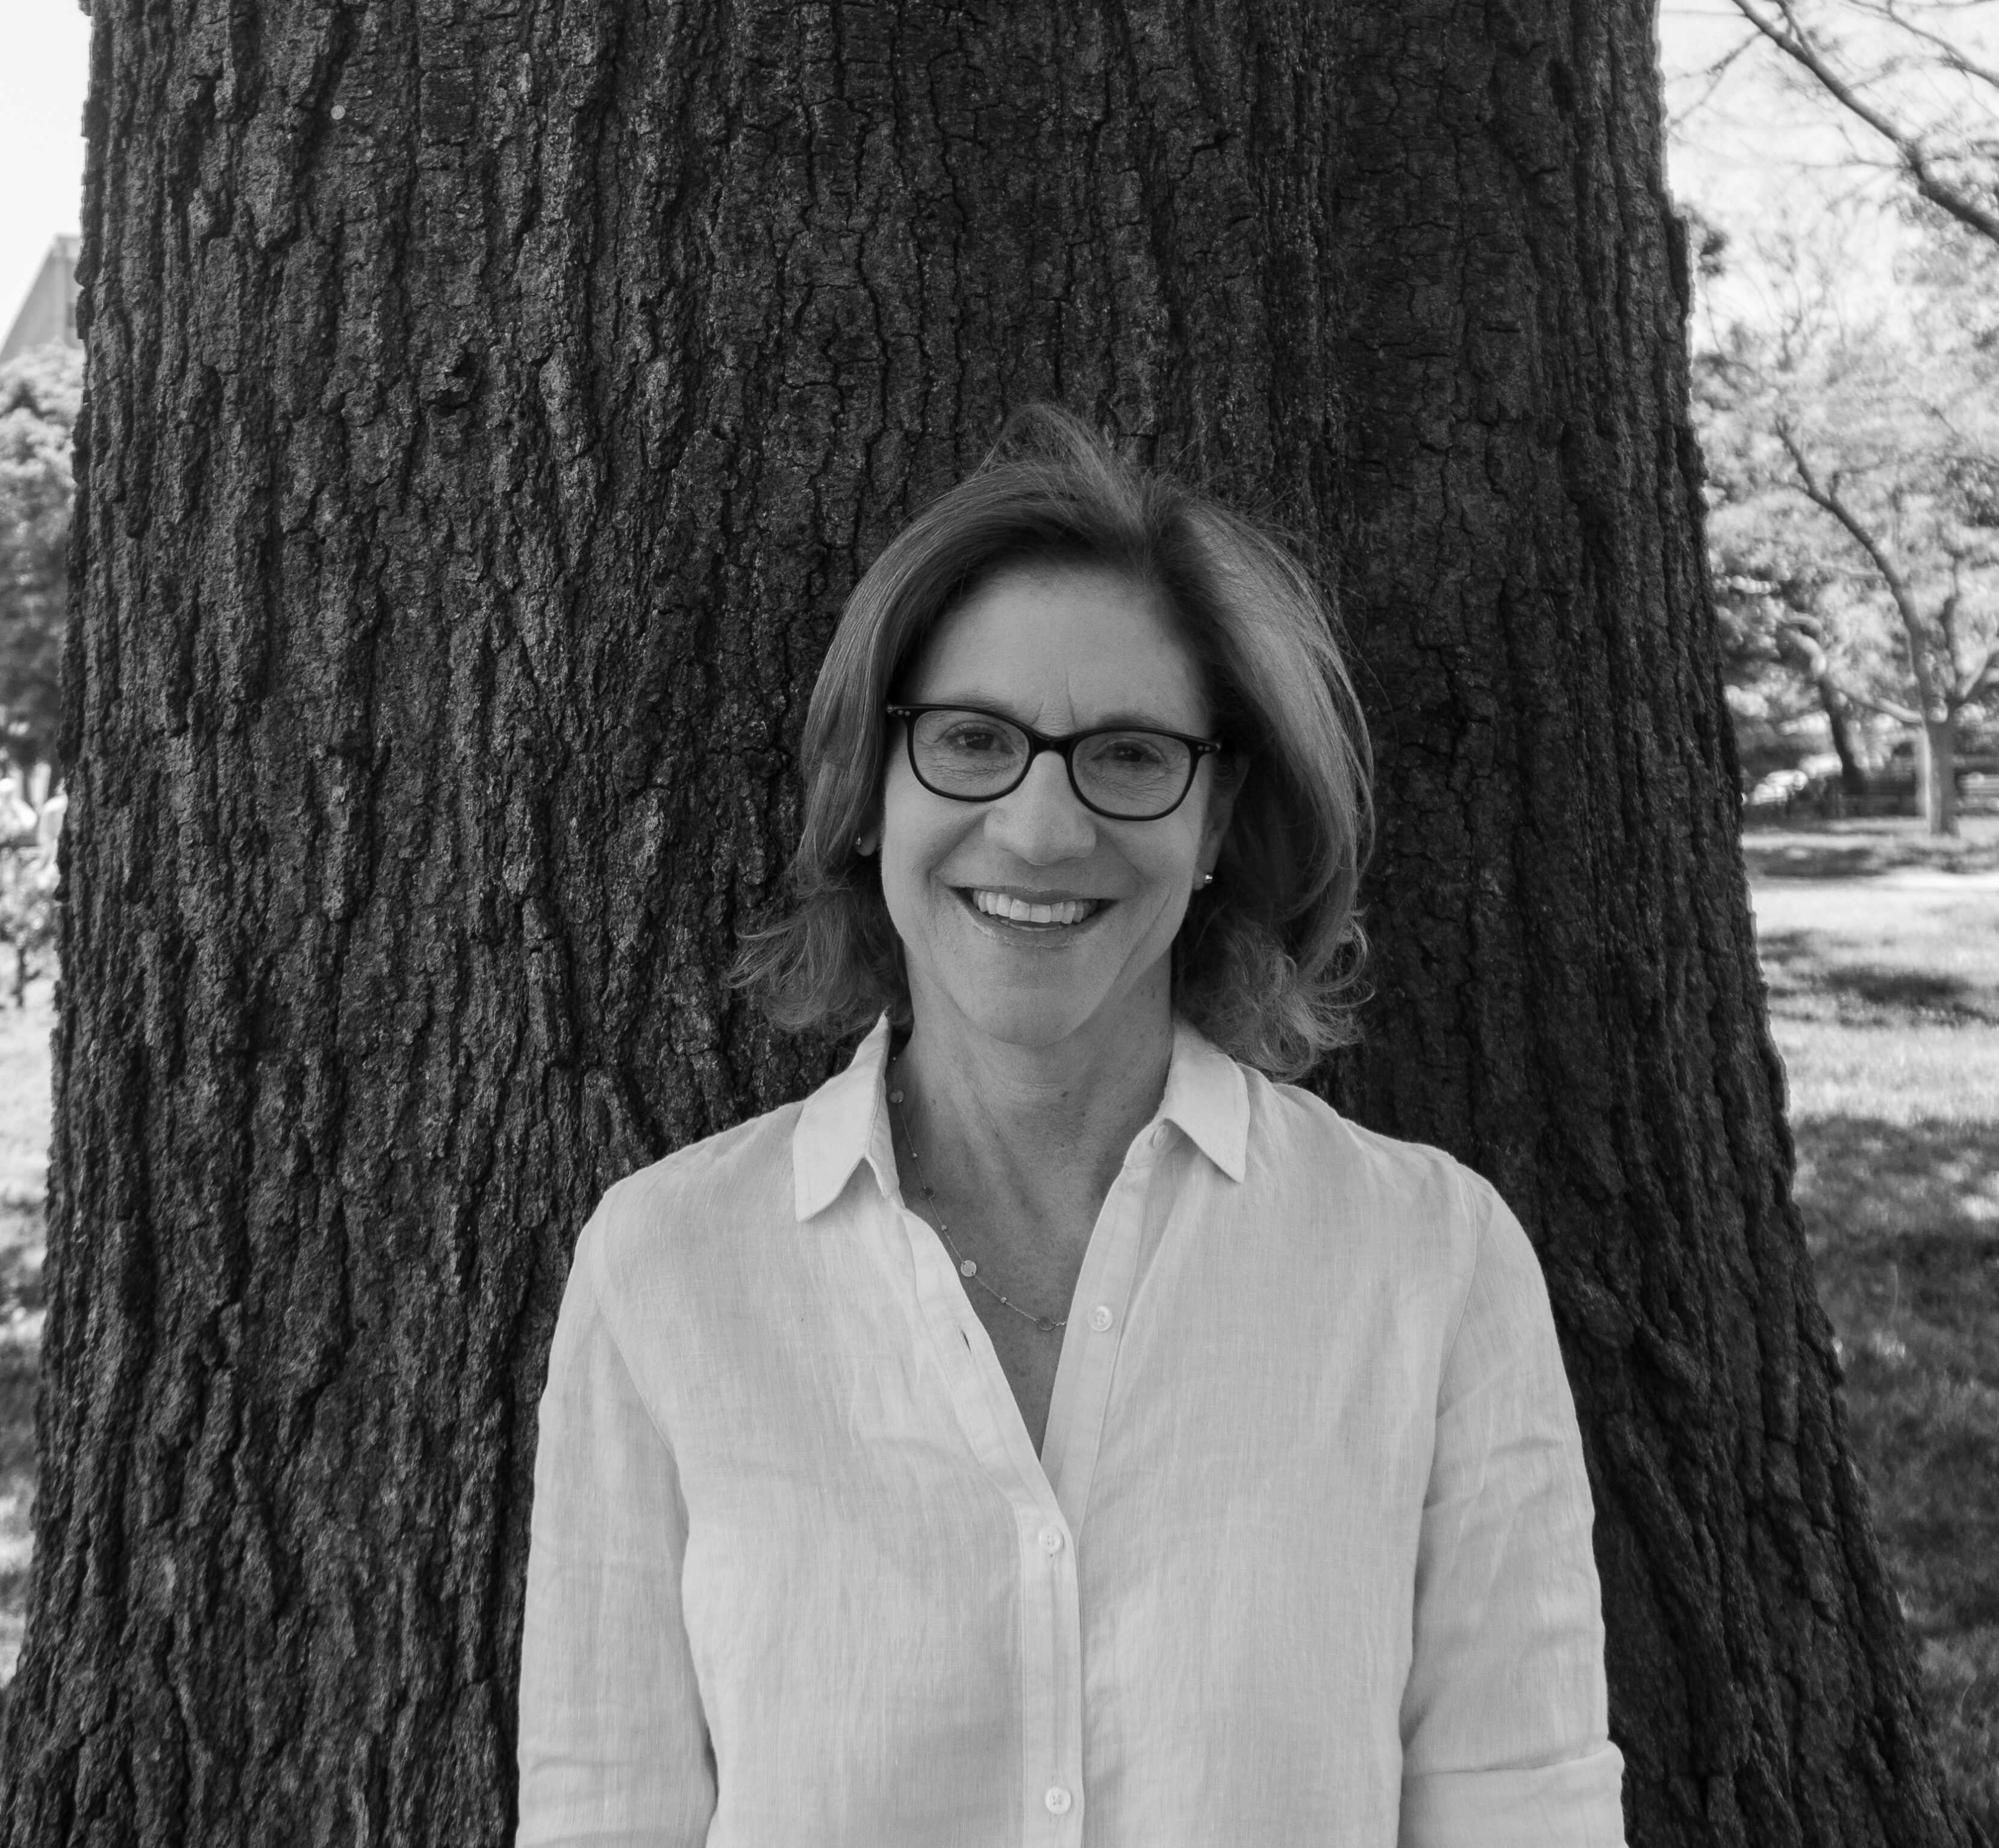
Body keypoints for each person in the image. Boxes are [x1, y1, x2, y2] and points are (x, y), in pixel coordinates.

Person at [514, 407, 1626, 1847]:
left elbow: (1524, 1806)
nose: (1042, 830)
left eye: (1130, 755)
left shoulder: (1434, 1260)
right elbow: (605, 1810)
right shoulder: (668, 1263)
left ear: (1215, 816)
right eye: (973, 741)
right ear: (869, 788)